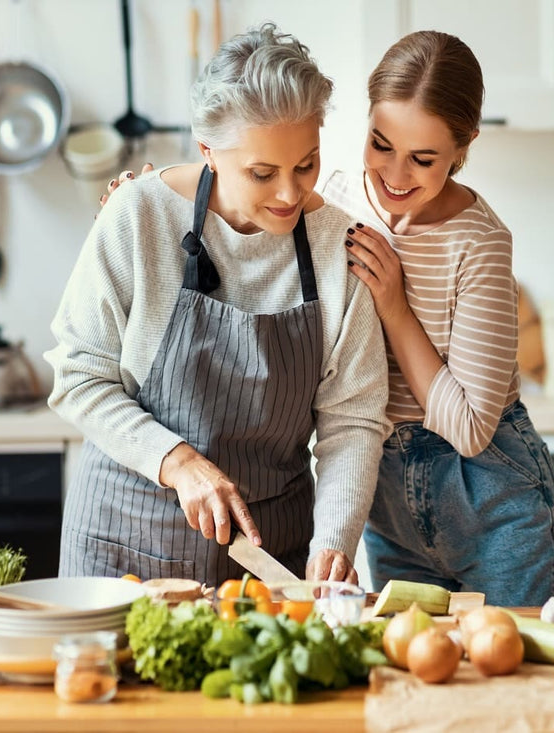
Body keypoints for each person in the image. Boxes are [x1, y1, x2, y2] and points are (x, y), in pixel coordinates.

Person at [103, 30, 554, 606]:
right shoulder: (342, 199)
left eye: (423, 159)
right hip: (388, 492)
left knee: (516, 667)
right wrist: (145, 198)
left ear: (465, 143)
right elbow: (244, 163)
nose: (395, 176)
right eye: (380, 143)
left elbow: (464, 427)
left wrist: (394, 308)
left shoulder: (475, 241)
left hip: (487, 491)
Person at [46, 23, 390, 586]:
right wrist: (177, 461)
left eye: (306, 165)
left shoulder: (336, 246)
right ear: (208, 151)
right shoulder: (138, 216)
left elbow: (352, 419)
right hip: (123, 548)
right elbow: (78, 375)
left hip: (268, 560)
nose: (289, 194)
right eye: (263, 172)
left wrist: (333, 543)